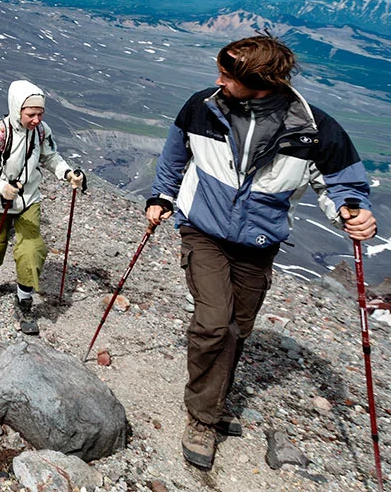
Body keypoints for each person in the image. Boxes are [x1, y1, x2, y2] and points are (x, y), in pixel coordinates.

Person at [145, 34, 376, 469]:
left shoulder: (313, 129)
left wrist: (353, 212)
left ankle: (213, 402)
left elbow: (342, 184)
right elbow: (175, 155)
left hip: (258, 243)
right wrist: (161, 196)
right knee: (214, 322)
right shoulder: (203, 107)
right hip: (203, 230)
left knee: (237, 329)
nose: (218, 81)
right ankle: (202, 417)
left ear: (261, 82)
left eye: (227, 75)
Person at [0, 80, 86, 335]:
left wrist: (67, 173)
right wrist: (2, 187)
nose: (36, 119)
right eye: (31, 114)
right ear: (17, 109)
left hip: (28, 200)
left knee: (32, 248)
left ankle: (24, 301)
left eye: (40, 113)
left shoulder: (42, 131)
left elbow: (50, 156)